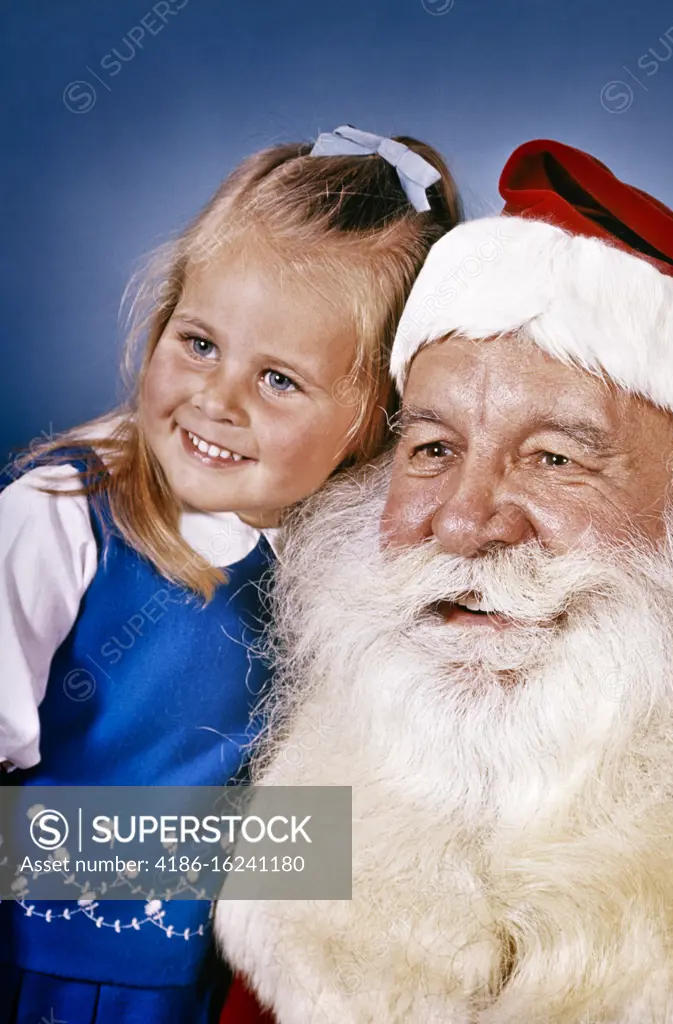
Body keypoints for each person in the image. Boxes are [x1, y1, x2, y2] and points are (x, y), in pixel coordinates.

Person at [215, 139, 673, 1023]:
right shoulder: (298, 777)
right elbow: (67, 854)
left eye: (554, 458)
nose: (461, 523)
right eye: (430, 449)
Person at [0, 125, 460, 1024]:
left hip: (247, 990)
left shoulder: (354, 569)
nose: (217, 399)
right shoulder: (62, 518)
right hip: (65, 976)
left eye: (280, 380)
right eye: (200, 343)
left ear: (371, 419)